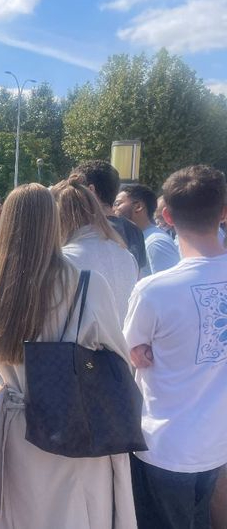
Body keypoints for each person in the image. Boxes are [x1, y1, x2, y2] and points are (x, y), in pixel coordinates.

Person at [0, 183, 137, 529]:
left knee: (22, 516)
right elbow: (118, 359)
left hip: (17, 433)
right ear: (52, 223)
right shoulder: (85, 284)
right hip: (73, 430)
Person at [123, 165, 227, 529]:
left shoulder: (154, 290)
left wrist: (140, 350)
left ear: (165, 215)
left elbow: (130, 351)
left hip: (164, 446)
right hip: (215, 443)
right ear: (224, 211)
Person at [51, 179, 138, 323]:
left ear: (58, 216)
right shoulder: (127, 256)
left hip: (80, 344)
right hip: (122, 343)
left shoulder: (64, 259)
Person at [68, 160, 148, 270]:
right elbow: (138, 277)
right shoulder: (135, 230)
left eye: (75, 190)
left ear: (91, 190)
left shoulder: (84, 231)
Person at [114, 184, 179, 276]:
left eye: (118, 204)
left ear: (138, 206)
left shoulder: (156, 242)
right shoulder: (139, 238)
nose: (113, 209)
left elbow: (171, 285)